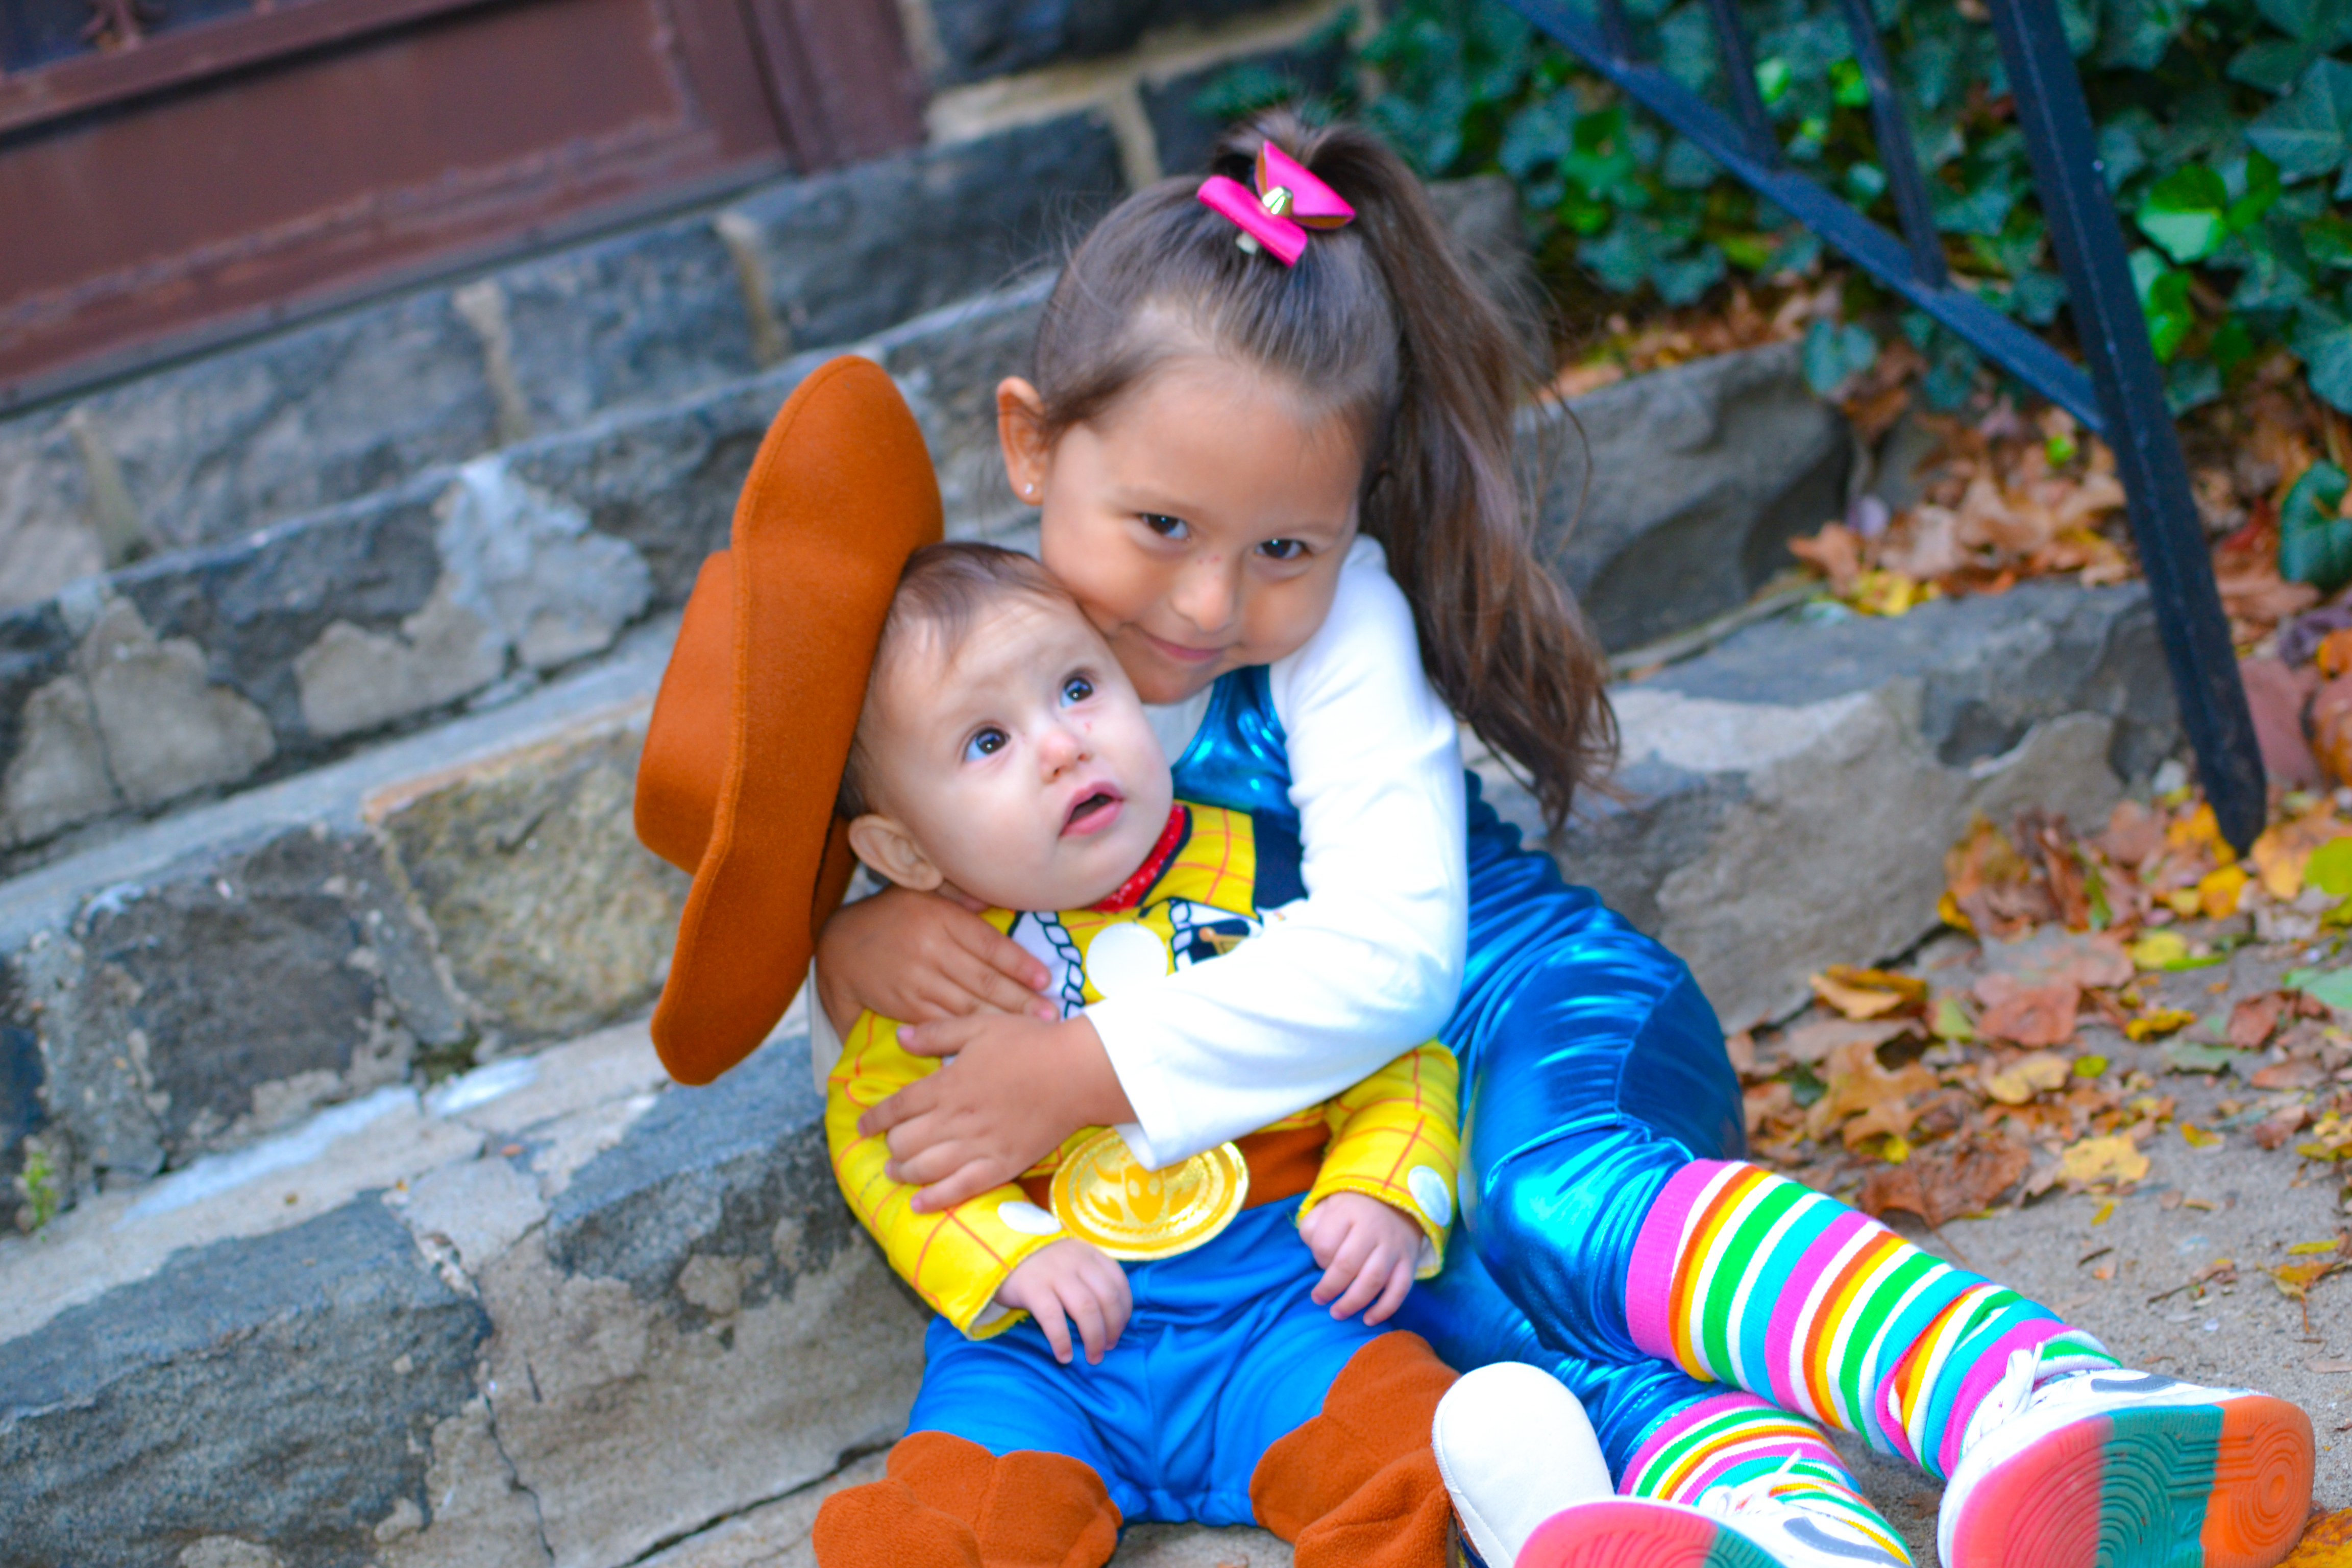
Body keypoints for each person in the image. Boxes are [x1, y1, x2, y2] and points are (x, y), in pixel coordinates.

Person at [807, 114, 2316, 1568]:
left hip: (1523, 1009)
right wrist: (857, 932)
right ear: (1029, 444)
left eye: (1283, 547)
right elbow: (941, 858)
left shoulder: (1342, 634)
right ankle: (1796, 1534)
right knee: (1472, 1325)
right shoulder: (996, 661)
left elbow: (1399, 964)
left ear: (1348, 516)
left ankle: (2040, 1395)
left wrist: (1079, 1073)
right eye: (1160, 529)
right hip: (1366, 1144)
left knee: (1542, 1206)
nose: (1208, 607)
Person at [805, 540, 1511, 1568]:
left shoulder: (1259, 877)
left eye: (1080, 687)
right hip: (1042, 1357)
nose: (1061, 747)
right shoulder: (937, 969)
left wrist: (1384, 1189)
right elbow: (882, 1141)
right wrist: (1010, 1257)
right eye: (989, 740)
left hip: (1280, 1306)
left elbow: (1391, 1048)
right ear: (906, 852)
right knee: (959, 1511)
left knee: (1410, 1438)